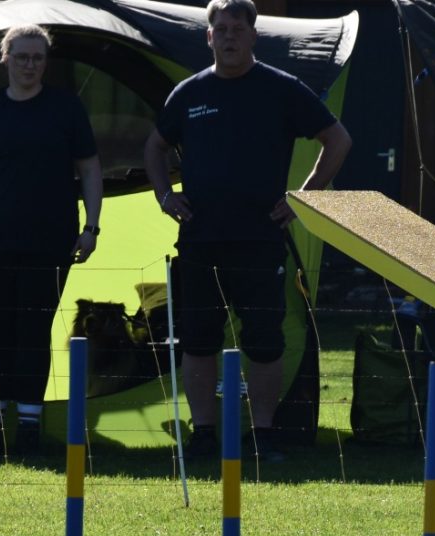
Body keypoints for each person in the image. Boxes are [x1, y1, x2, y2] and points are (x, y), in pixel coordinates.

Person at [143, 0, 351, 459]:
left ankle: (262, 436)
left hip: (260, 239)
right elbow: (154, 147)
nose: (229, 37)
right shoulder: (189, 93)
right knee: (198, 340)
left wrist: (304, 197)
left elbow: (338, 139)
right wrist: (164, 196)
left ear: (254, 36)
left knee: (264, 341)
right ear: (209, 37)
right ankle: (202, 435)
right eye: (221, 29)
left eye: (238, 29)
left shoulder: (282, 89)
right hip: (199, 238)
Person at [0, 25, 102, 455]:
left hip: (53, 241)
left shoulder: (66, 109)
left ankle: (29, 426)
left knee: (35, 328)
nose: (29, 65)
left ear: (46, 62)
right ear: (5, 58)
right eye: (22, 57)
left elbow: (90, 169)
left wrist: (91, 228)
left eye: (37, 57)